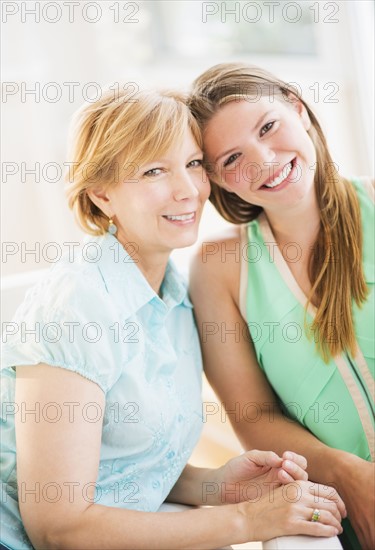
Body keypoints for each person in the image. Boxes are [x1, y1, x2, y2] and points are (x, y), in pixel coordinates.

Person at [0, 88, 345, 550]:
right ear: (102, 195)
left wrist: (216, 485)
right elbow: (58, 528)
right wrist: (245, 520)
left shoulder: (173, 293)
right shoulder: (78, 307)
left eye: (194, 163)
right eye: (154, 171)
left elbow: (119, 464)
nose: (188, 189)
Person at [188, 62, 374, 550]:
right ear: (217, 182)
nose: (264, 159)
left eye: (268, 126)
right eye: (231, 158)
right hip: (341, 514)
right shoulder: (219, 268)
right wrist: (352, 477)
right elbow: (254, 415)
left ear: (298, 107)